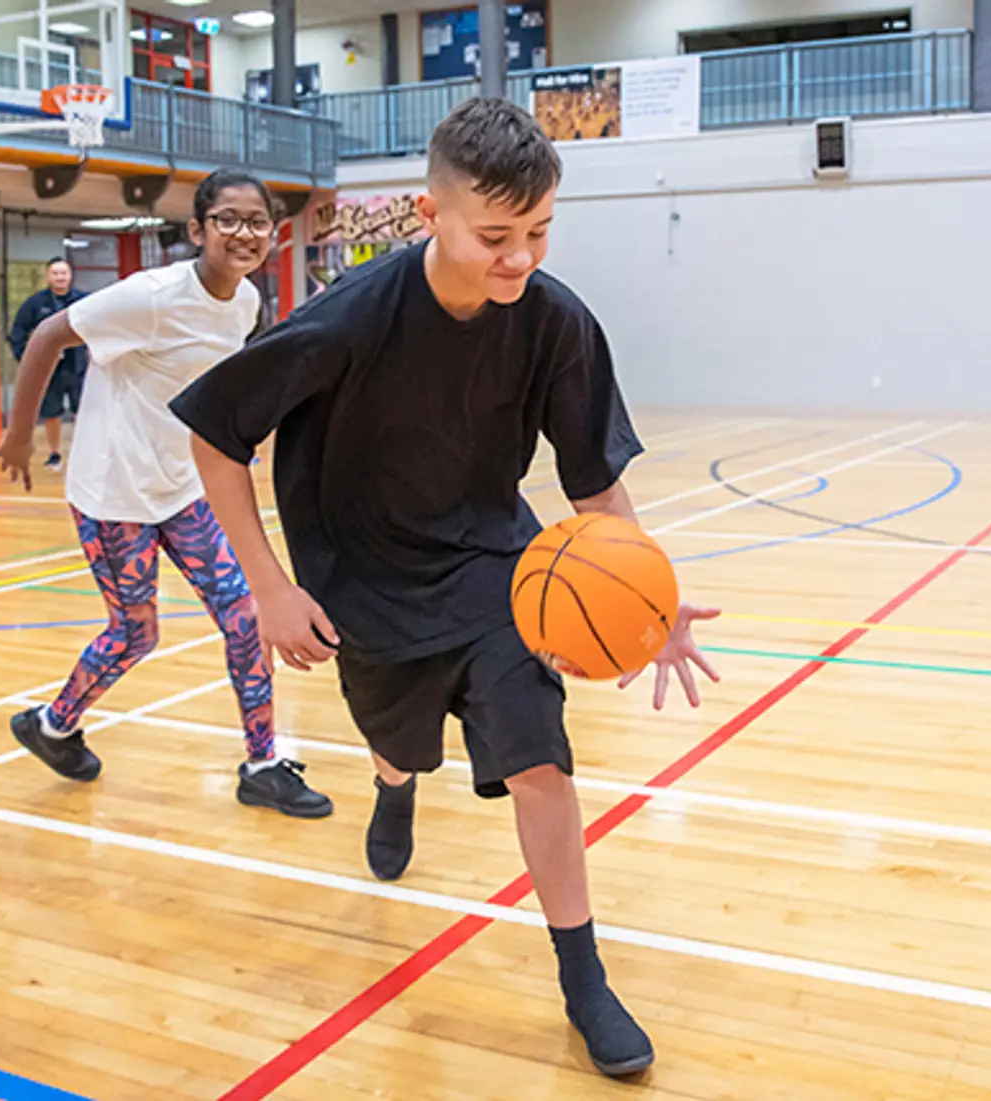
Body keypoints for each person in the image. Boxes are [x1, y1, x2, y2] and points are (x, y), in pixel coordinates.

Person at [171, 99, 720, 1078]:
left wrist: (652, 597)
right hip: (363, 579)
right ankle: (392, 785)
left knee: (539, 758)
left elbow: (592, 480)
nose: (520, 258)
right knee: (395, 739)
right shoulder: (349, 318)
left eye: (539, 233)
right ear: (430, 215)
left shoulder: (552, 321)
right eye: (496, 237)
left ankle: (581, 976)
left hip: (495, 568)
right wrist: (267, 588)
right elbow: (217, 435)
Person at [0, 169, 331, 819]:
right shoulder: (148, 295)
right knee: (134, 633)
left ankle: (262, 763)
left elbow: (220, 381)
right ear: (198, 230)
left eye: (256, 222)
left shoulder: (245, 305)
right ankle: (53, 723)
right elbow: (46, 336)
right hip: (112, 492)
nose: (244, 233)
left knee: (244, 617)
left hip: (180, 488)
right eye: (227, 220)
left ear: (273, 233)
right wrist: (16, 437)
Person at [7, 257, 85, 471]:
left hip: (79, 366)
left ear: (70, 275)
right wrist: (28, 358)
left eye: (64, 273)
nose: (60, 277)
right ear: (48, 277)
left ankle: (82, 454)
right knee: (52, 413)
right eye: (55, 273)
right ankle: (54, 453)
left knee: (84, 411)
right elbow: (18, 332)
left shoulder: (84, 301)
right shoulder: (36, 303)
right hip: (51, 369)